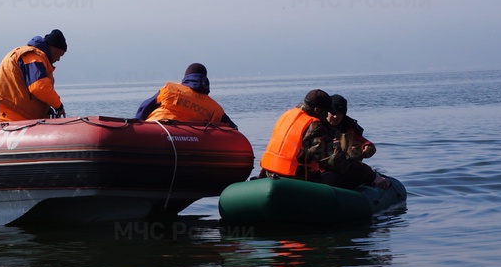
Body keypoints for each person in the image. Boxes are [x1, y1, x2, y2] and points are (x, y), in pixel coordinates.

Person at [259, 89, 389, 189]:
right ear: (317, 110)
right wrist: (372, 176)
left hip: (272, 175)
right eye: (326, 111)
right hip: (297, 181)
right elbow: (335, 160)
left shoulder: (288, 116)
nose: (328, 115)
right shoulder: (313, 126)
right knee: (341, 178)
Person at [0, 29, 67, 122]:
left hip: (16, 110)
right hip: (7, 110)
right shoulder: (33, 57)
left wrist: (46, 109)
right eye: (60, 55)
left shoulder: (35, 57)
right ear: (54, 49)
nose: (58, 59)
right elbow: (38, 86)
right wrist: (58, 106)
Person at [135, 63, 237, 128]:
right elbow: (232, 127)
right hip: (189, 137)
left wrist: (136, 126)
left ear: (186, 77)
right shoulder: (214, 108)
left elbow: (144, 108)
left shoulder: (170, 89)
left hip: (155, 127)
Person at [328, 94, 376, 160]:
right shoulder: (317, 126)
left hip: (345, 164)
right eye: (333, 113)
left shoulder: (348, 127)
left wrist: (368, 147)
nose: (335, 116)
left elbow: (361, 141)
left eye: (339, 114)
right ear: (326, 112)